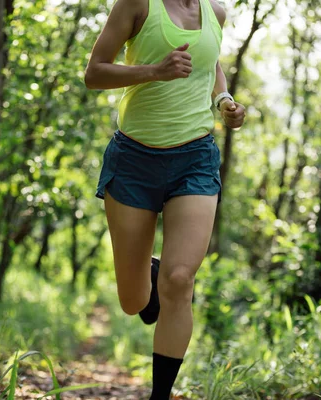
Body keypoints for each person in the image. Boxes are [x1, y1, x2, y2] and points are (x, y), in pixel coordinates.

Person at [84, 0, 245, 396]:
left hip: (194, 159)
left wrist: (223, 101)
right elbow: (94, 73)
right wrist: (155, 71)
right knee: (133, 300)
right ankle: (148, 275)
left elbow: (210, 66)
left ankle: (160, 395)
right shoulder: (138, 4)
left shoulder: (216, 14)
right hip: (134, 161)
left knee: (180, 279)